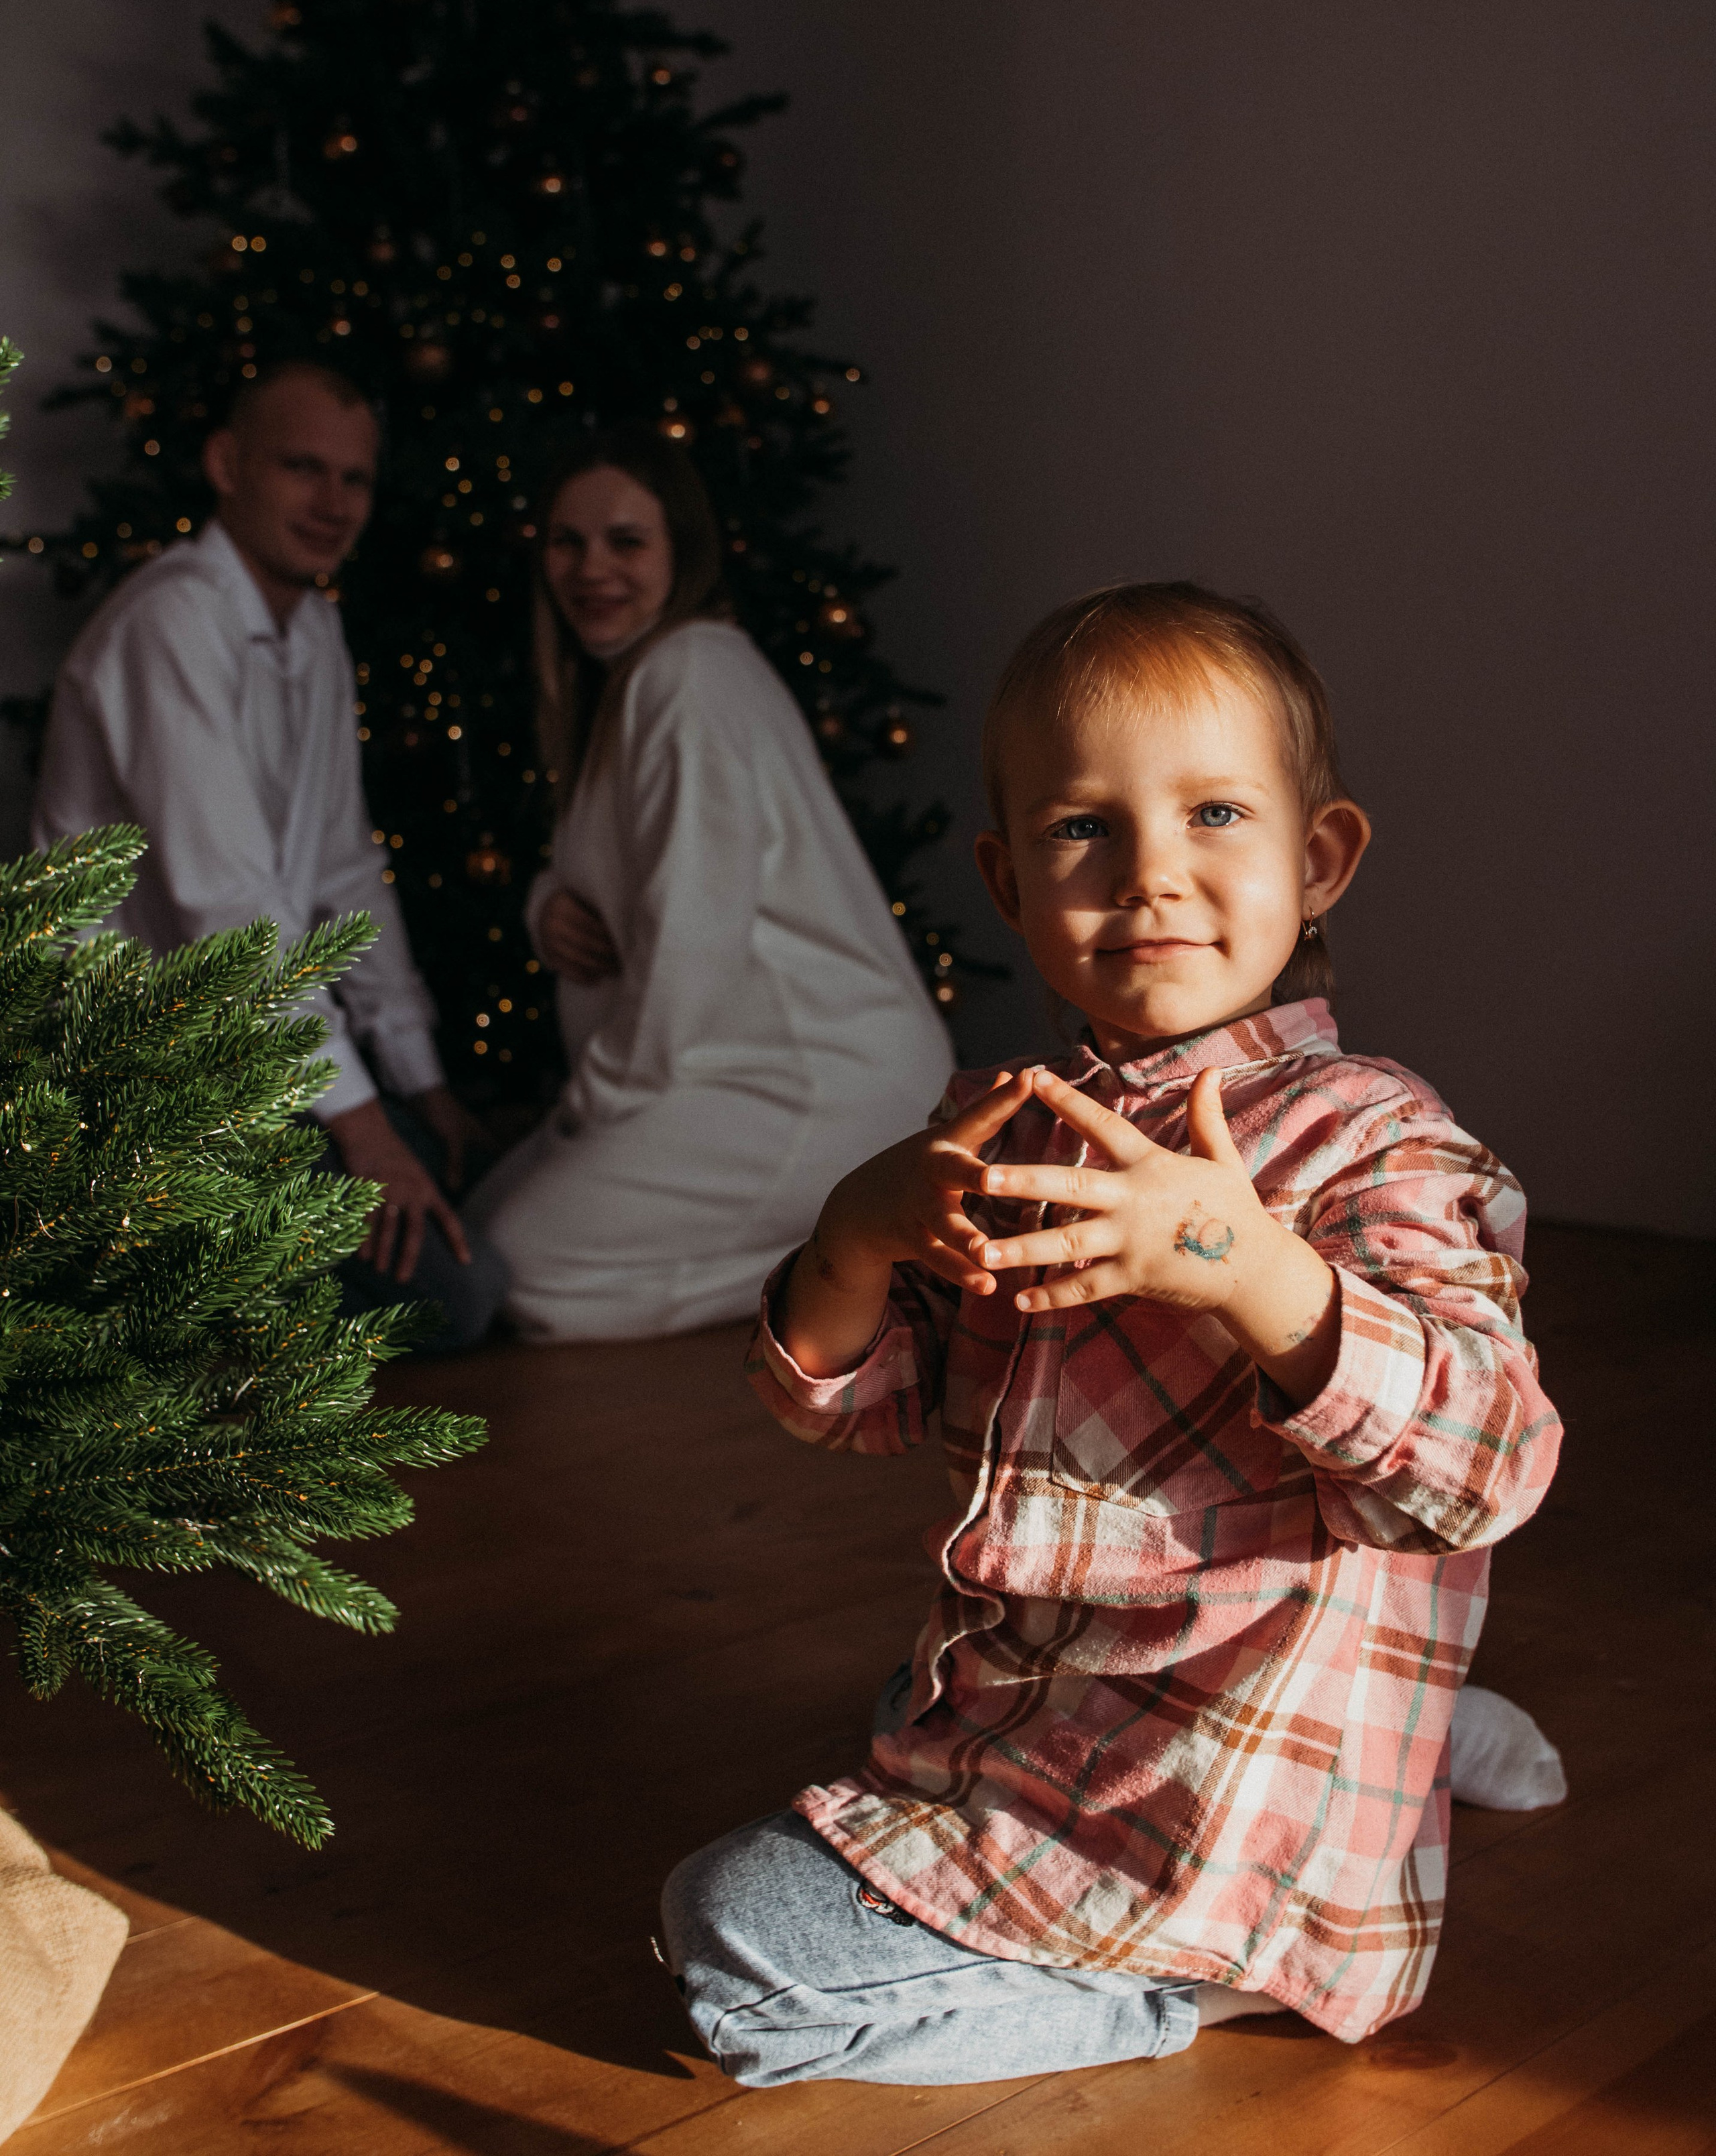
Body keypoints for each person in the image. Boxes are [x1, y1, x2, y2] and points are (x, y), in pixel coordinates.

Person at [662, 581, 1563, 2082]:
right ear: (1009, 880)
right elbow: (853, 1404)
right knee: (904, 1699)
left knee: (729, 1941)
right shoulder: (1006, 1121)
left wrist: (1239, 1263)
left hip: (1190, 1790)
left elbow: (1481, 1469)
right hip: (1056, 1685)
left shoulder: (1371, 1136)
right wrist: (857, 1232)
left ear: (1317, 856)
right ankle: (1404, 1728)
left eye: (1214, 813)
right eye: (1086, 828)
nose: (1151, 875)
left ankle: (1258, 1952)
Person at [33, 361, 505, 1352]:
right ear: (226, 464)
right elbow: (228, 907)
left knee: (475, 1229)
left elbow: (339, 869)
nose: (333, 504)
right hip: (144, 1077)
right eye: (303, 469)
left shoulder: (315, 626)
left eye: (356, 480)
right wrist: (369, 1132)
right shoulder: (172, 620)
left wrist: (420, 1085)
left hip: (257, 1060)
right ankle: (133, 1303)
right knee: (457, 1298)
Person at [464, 428, 954, 1339]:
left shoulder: (689, 673)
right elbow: (610, 873)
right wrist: (542, 908)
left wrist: (592, 1112)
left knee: (519, 1273)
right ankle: (847, 1249)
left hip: (816, 1084)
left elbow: (692, 939)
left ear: (682, 552)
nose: (591, 569)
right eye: (567, 543)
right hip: (717, 1071)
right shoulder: (627, 688)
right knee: (479, 1226)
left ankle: (847, 1269)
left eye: (625, 541)